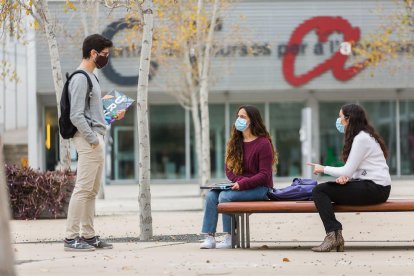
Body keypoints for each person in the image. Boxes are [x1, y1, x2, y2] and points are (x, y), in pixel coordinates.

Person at [64, 34, 125, 251]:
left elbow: (91, 114)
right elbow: (76, 115)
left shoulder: (92, 77)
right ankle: (71, 238)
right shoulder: (81, 78)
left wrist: (110, 115)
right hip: (89, 141)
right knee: (82, 189)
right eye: (105, 54)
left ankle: (88, 236)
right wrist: (93, 141)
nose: (106, 58)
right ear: (93, 53)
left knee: (91, 191)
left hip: (95, 138)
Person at [307, 103, 391, 252]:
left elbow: (347, 169)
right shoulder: (363, 136)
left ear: (349, 119)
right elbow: (356, 171)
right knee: (324, 190)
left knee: (320, 191)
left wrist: (323, 168)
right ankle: (335, 236)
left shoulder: (361, 138)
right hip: (375, 187)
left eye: (340, 117)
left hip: (375, 188)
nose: (338, 121)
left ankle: (333, 236)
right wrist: (347, 179)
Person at [200, 105, 277, 249]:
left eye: (242, 117)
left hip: (261, 188)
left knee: (225, 196)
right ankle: (209, 237)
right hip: (239, 186)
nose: (238, 119)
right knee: (211, 195)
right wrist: (238, 183)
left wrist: (243, 184)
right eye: (238, 116)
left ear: (252, 121)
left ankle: (230, 237)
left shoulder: (263, 143)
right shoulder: (234, 142)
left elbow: (264, 174)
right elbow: (229, 170)